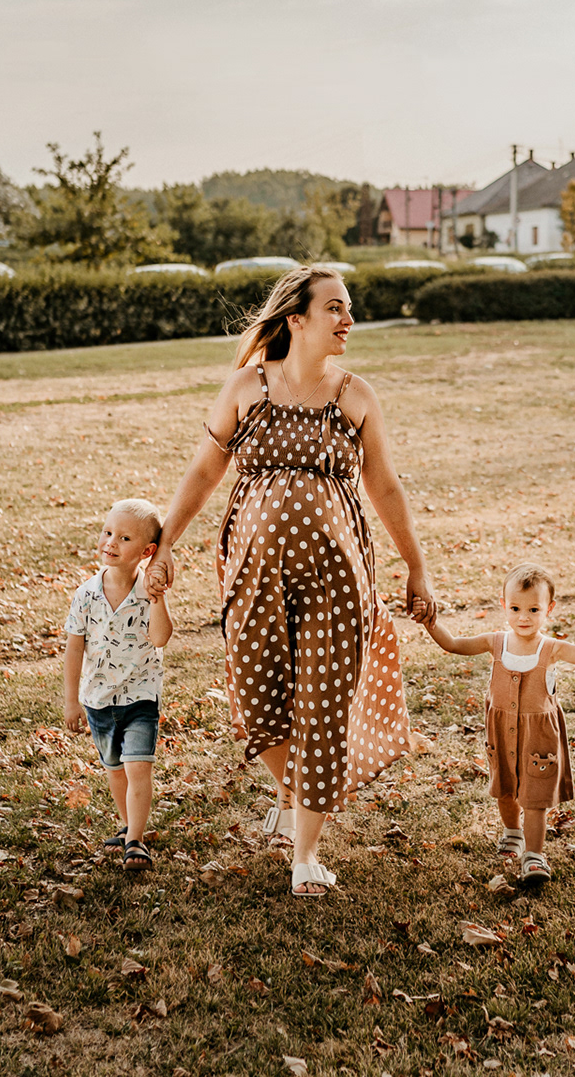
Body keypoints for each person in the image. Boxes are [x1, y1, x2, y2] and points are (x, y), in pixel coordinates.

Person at [148, 266, 431, 898]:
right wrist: (165, 543)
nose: (349, 320)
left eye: (348, 308)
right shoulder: (247, 387)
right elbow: (203, 472)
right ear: (296, 319)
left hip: (338, 576)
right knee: (256, 699)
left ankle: (305, 854)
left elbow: (385, 486)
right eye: (335, 308)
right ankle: (295, 789)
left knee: (323, 706)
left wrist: (416, 565)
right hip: (255, 576)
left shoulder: (355, 395)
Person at [414, 562, 575, 886]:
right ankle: (512, 832)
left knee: (535, 799)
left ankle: (534, 856)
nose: (523, 617)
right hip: (501, 733)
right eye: (515, 608)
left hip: (538, 739)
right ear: (503, 605)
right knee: (505, 790)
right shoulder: (495, 642)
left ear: (549, 609)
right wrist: (430, 623)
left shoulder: (551, 649)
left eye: (533, 609)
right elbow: (453, 643)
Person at [61, 499, 174, 872]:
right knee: (115, 768)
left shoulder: (148, 592)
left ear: (147, 551)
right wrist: (72, 702)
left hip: (140, 697)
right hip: (98, 700)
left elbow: (160, 638)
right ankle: (128, 827)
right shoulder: (86, 594)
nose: (110, 542)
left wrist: (158, 599)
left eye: (124, 538)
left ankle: (136, 840)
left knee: (138, 767)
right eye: (108, 532)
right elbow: (74, 649)